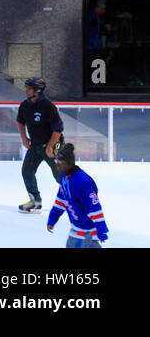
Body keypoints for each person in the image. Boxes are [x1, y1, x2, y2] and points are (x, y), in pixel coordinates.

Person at [47, 144, 109, 248]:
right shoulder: (64, 177)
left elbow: (94, 208)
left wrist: (101, 230)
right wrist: (52, 219)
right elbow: (60, 201)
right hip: (76, 227)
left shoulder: (82, 183)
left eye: (59, 162)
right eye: (55, 161)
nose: (56, 164)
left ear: (69, 163)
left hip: (87, 231)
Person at [16, 76, 63, 213]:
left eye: (29, 88)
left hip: (54, 145)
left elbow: (58, 129)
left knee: (59, 175)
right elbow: (20, 120)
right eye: (26, 88)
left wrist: (50, 146)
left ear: (38, 90)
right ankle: (35, 201)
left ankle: (76, 201)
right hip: (35, 145)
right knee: (27, 171)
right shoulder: (25, 105)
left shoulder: (48, 106)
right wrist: (24, 138)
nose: (26, 91)